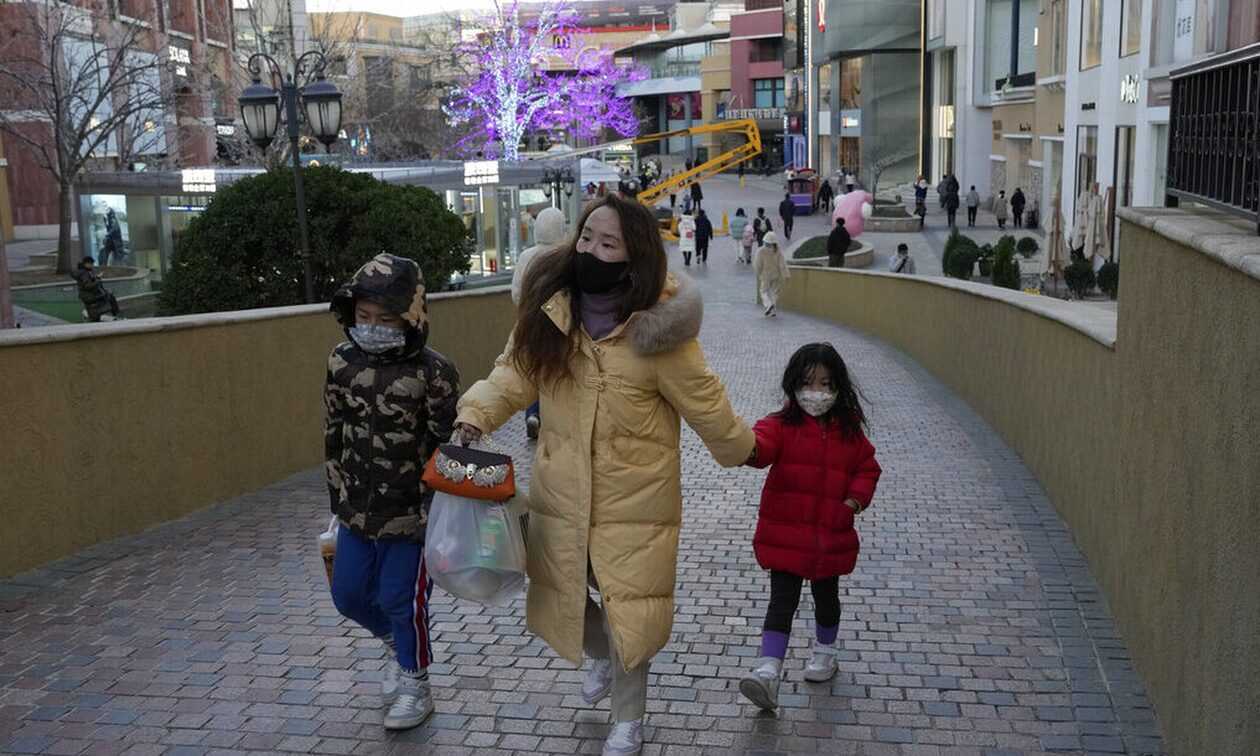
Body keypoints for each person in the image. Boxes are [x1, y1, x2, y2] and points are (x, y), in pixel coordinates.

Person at [453, 194, 755, 756]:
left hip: (635, 504)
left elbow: (706, 403)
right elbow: (512, 376)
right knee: (564, 590)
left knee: (629, 611)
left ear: (634, 257)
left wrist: (746, 449)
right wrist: (475, 415)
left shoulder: (660, 335)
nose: (591, 249)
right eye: (587, 237)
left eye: (608, 243)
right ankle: (600, 656)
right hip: (562, 495)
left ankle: (628, 719)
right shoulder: (550, 315)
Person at [323, 253, 460, 731]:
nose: (372, 327)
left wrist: (436, 513)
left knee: (401, 599)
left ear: (411, 316)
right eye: (363, 316)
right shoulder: (340, 362)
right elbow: (333, 432)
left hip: (412, 515)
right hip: (356, 509)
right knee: (348, 596)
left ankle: (415, 681)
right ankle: (396, 645)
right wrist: (336, 499)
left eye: (386, 319)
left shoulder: (434, 372)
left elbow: (446, 446)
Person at [738, 343, 881, 710]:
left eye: (825, 384)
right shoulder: (780, 425)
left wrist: (852, 502)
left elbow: (867, 468)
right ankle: (768, 670)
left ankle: (825, 651)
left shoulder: (849, 431)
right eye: (807, 383)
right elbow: (760, 446)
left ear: (838, 387)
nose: (816, 393)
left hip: (829, 535)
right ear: (793, 385)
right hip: (786, 535)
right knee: (781, 601)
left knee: (826, 599)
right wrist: (742, 445)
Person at [511, 207, 568, 440]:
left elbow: (517, 293)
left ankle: (533, 413)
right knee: (558, 371)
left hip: (532, 323)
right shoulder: (565, 255)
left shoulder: (527, 257)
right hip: (560, 323)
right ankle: (557, 417)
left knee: (534, 369)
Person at [71, 256, 120, 322]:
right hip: (90, 296)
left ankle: (113, 315)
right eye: (91, 264)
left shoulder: (84, 271)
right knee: (110, 296)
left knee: (108, 295)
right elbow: (87, 286)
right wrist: (98, 280)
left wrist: (96, 277)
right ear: (86, 264)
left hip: (87, 295)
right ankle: (116, 315)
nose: (92, 265)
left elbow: (88, 281)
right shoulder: (84, 273)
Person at [754, 231, 789, 317]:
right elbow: (782, 264)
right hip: (776, 275)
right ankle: (773, 311)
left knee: (763, 291)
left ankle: (768, 304)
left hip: (765, 275)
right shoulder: (778, 251)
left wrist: (758, 273)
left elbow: (758, 264)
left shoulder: (761, 251)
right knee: (774, 292)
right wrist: (786, 274)